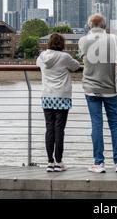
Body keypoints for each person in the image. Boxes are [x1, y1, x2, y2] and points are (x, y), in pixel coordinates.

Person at [79, 14, 117, 173]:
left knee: (96, 125)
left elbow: (83, 58)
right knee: (115, 124)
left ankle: (99, 163)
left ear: (89, 25)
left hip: (91, 88)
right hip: (111, 88)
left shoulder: (83, 40)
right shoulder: (113, 39)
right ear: (104, 25)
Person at [36, 33, 80, 172]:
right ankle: (59, 162)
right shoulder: (65, 57)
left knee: (49, 128)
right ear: (62, 44)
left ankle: (50, 162)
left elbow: (38, 64)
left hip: (47, 95)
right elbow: (76, 66)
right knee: (59, 129)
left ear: (49, 43)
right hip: (62, 96)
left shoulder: (42, 57)